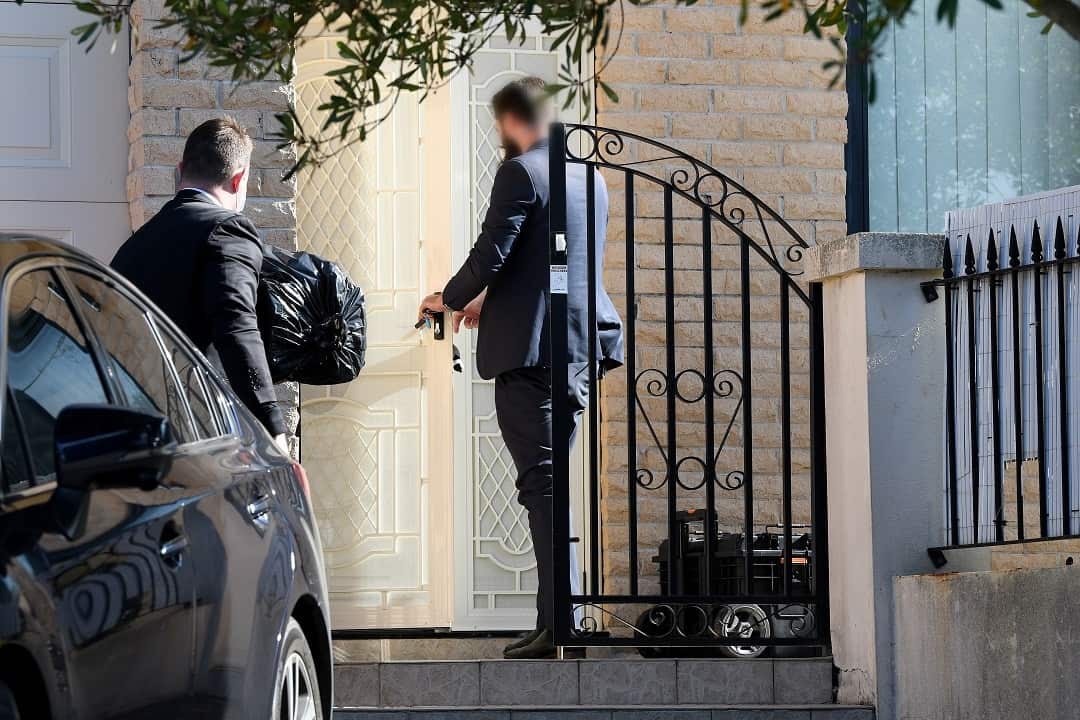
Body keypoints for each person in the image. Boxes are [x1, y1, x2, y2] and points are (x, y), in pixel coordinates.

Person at [418, 77, 623, 659]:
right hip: (578, 347)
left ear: (510, 121)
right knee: (552, 482)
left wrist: (449, 299)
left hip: (531, 357)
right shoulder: (590, 177)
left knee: (542, 484)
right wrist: (491, 304)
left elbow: (494, 252)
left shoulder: (521, 172)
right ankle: (566, 619)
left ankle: (560, 624)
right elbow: (553, 265)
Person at [112, 117, 287, 451]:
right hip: (200, 439)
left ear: (179, 170)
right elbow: (237, 327)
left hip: (137, 436)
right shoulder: (228, 230)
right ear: (239, 179)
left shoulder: (137, 244)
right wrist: (272, 428)